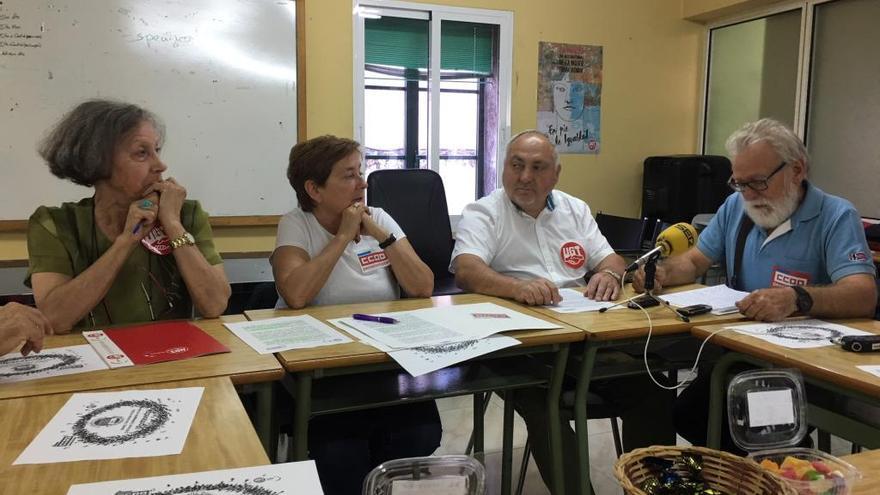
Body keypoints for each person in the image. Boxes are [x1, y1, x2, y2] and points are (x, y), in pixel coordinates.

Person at [452, 130, 675, 494]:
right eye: (516, 165)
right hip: (523, 350)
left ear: (556, 174)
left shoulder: (575, 209)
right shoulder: (484, 211)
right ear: (503, 168)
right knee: (546, 402)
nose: (525, 177)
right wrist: (517, 287)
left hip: (585, 342)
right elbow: (466, 270)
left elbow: (612, 259)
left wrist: (607, 272)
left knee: (653, 386)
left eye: (538, 168)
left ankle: (650, 490)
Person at [633, 118, 877, 451]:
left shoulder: (835, 216)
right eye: (739, 183)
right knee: (690, 413)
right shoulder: (737, 207)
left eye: (758, 182)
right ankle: (756, 472)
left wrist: (796, 298)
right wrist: (662, 272)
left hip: (807, 363)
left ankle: (781, 468)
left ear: (796, 170)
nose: (748, 194)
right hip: (746, 352)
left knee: (734, 421)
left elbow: (862, 294)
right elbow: (694, 261)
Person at [271, 135, 438, 494]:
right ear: (314, 189)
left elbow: (423, 286)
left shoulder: (378, 216)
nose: (362, 183)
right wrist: (343, 237)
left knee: (420, 433)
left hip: (380, 361)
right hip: (321, 372)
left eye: (360, 172)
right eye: (349, 175)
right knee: (339, 454)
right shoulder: (296, 223)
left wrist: (381, 235)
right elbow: (296, 295)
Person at [27, 100, 230, 332]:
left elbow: (215, 305)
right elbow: (54, 319)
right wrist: (126, 241)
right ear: (98, 161)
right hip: (95, 361)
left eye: (157, 150)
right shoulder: (53, 224)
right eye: (142, 153)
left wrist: (173, 224)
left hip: (173, 360)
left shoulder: (187, 213)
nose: (161, 165)